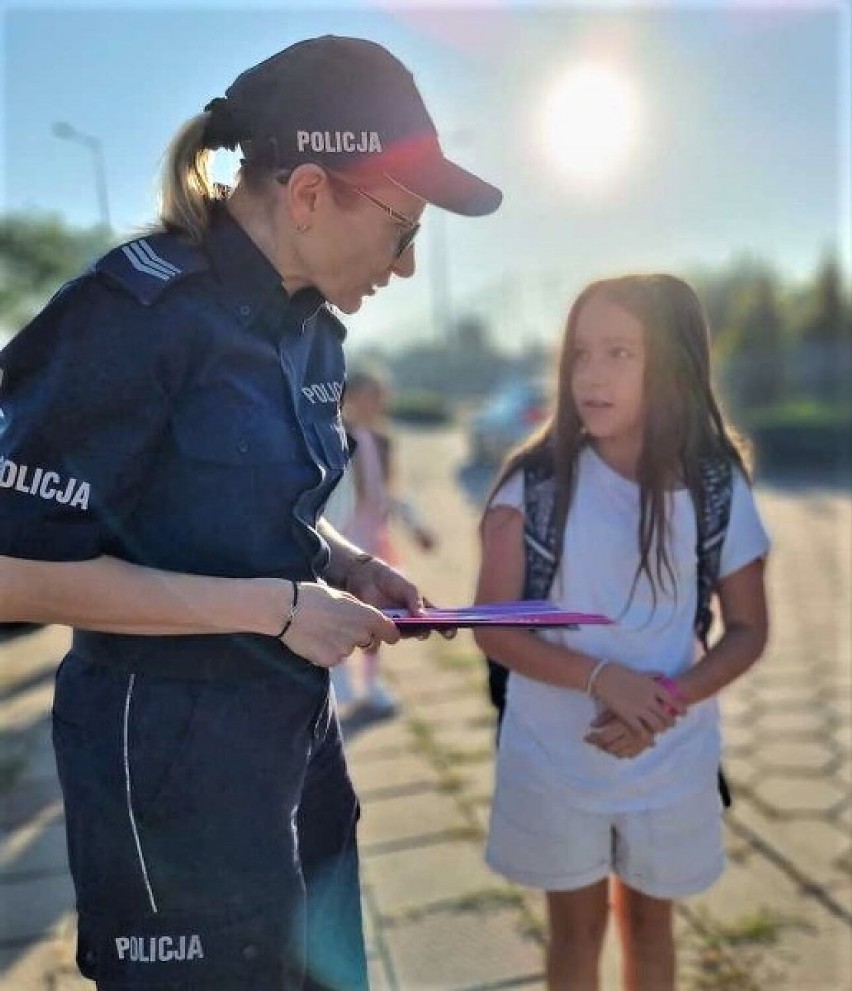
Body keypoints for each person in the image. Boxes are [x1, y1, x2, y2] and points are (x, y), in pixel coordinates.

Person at [0, 35, 501, 991]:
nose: (404, 265)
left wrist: (347, 562)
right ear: (310, 193)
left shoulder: (311, 331)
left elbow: (255, 511)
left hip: (291, 740)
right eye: (404, 229)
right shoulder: (128, 318)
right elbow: (12, 570)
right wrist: (272, 607)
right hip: (168, 769)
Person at [473, 274, 769, 991]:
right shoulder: (534, 484)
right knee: (575, 930)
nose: (591, 375)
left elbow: (748, 629)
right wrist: (604, 680)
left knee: (651, 925)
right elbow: (493, 626)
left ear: (670, 362)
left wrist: (664, 700)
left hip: (669, 758)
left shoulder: (716, 484)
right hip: (555, 755)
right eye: (580, 354)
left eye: (618, 353)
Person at [328, 367, 437, 715]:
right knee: (339, 612)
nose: (377, 402)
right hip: (344, 538)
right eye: (370, 394)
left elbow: (391, 492)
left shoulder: (383, 441)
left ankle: (371, 682)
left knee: (379, 616)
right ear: (351, 397)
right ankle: (340, 680)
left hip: (374, 538)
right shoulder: (335, 438)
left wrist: (416, 525)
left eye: (381, 395)